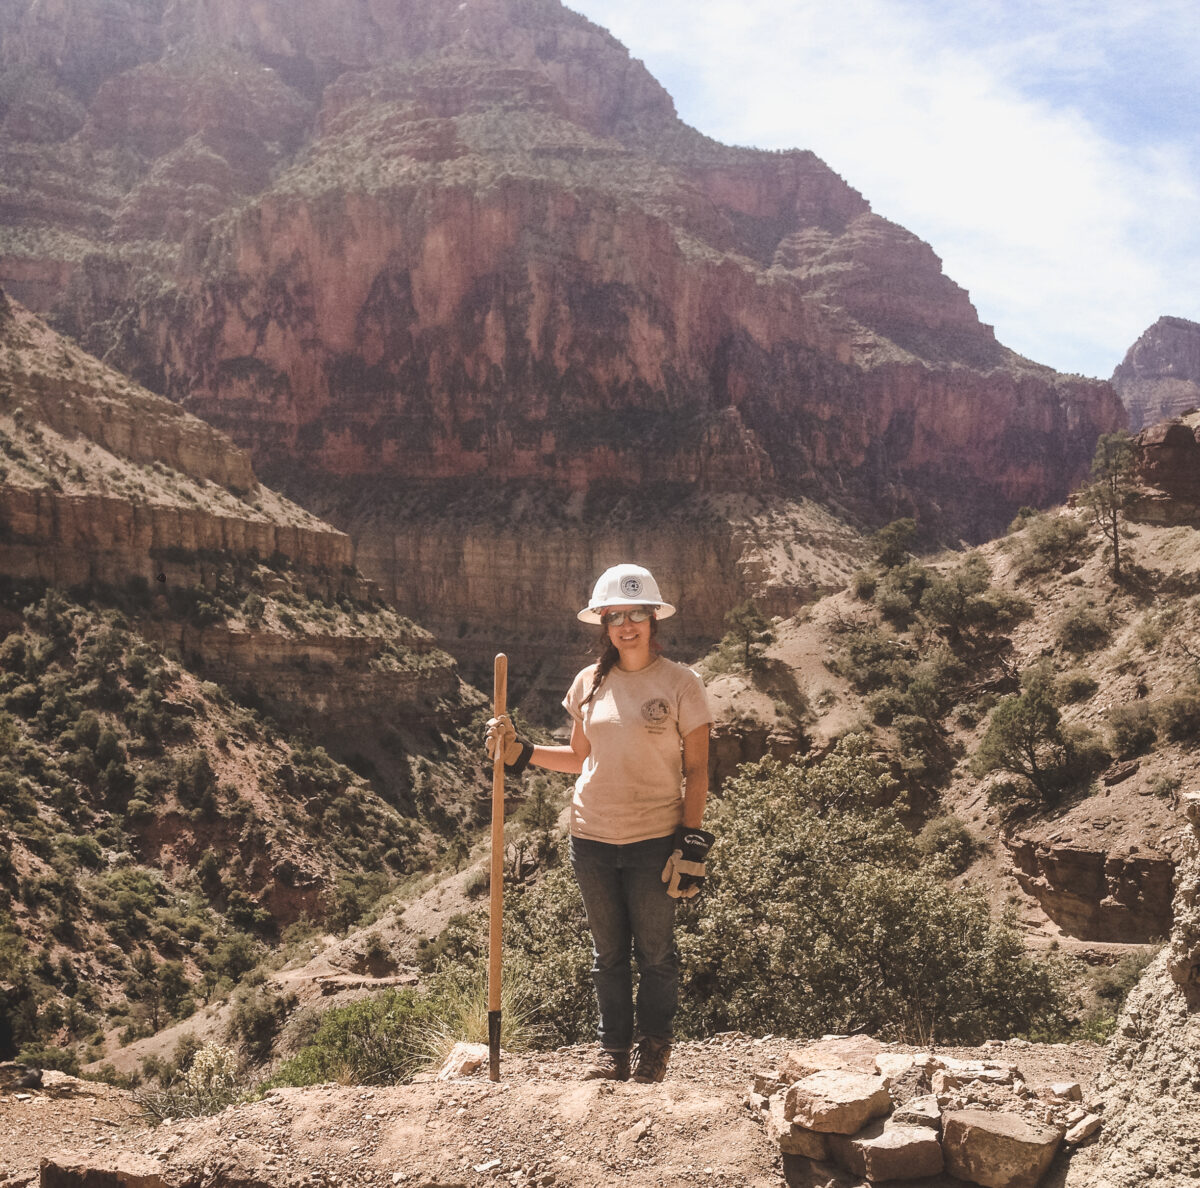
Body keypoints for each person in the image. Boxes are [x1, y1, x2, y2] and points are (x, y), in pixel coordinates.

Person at [486, 562, 713, 1084]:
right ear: (604, 623)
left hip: (655, 839)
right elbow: (577, 757)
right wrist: (519, 752)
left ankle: (653, 1049)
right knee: (607, 954)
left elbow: (699, 769)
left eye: (637, 613)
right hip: (590, 837)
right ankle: (612, 1051)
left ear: (654, 618)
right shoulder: (589, 683)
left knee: (656, 954)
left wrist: (691, 843)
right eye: (616, 615)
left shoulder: (682, 684)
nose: (626, 625)